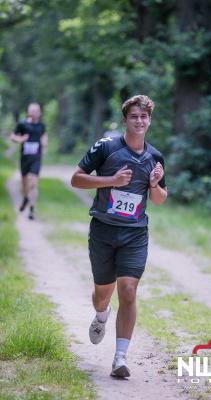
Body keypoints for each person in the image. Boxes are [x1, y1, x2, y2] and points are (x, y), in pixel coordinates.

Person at [71, 95, 167, 378]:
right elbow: (76, 178)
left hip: (135, 233)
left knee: (128, 290)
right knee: (103, 294)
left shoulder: (155, 157)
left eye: (144, 117)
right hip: (103, 230)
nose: (139, 121)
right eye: (134, 116)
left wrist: (155, 185)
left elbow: (160, 199)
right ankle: (101, 315)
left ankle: (120, 358)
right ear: (125, 119)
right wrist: (111, 181)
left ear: (149, 120)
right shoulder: (107, 147)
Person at [10, 103, 48, 220]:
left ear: (39, 112)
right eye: (32, 110)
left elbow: (44, 135)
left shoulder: (41, 125)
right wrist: (20, 139)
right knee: (24, 183)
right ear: (28, 111)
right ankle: (26, 198)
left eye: (36, 110)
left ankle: (32, 210)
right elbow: (12, 136)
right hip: (25, 158)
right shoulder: (22, 124)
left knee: (33, 182)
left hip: (36, 157)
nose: (34, 113)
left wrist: (44, 142)